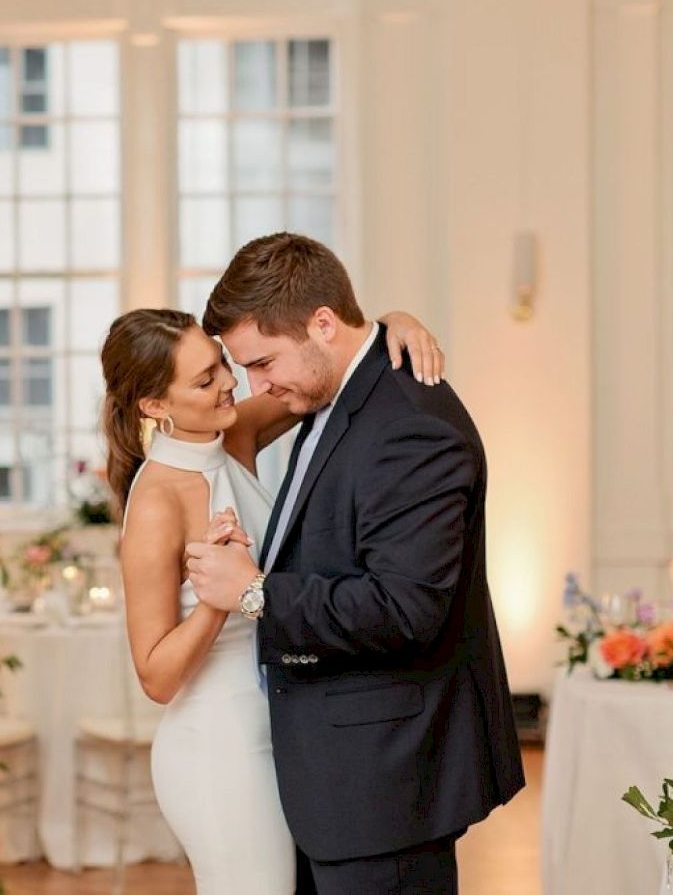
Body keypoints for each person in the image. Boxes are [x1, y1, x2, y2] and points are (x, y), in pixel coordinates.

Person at [184, 232, 525, 894]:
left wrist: (255, 594)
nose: (257, 384)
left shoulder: (409, 426)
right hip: (341, 778)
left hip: (386, 783)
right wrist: (388, 319)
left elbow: (406, 610)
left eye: (263, 361)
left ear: (322, 324)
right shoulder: (332, 387)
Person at [99, 301, 444, 894]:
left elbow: (328, 371)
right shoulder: (158, 500)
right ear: (155, 406)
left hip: (279, 728)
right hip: (218, 748)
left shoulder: (231, 432)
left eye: (223, 365)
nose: (230, 383)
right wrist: (217, 596)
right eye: (205, 379)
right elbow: (155, 677)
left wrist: (394, 324)